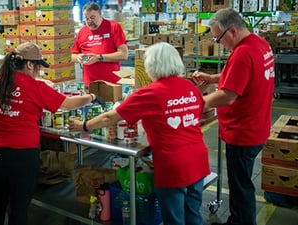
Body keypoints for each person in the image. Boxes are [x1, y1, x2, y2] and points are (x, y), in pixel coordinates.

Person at [69, 42, 211, 225]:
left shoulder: (150, 93)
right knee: (193, 214)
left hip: (174, 165)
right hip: (198, 160)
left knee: (174, 219)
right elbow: (195, 115)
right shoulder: (190, 87)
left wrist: (83, 125)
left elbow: (109, 118)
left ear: (151, 66)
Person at [0, 42, 102, 225]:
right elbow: (67, 104)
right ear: (30, 64)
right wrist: (92, 97)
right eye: (38, 66)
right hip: (21, 154)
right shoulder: (34, 87)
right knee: (19, 207)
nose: (38, 71)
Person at [193, 8, 275, 225]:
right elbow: (239, 73)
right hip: (257, 125)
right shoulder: (259, 44)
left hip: (243, 132)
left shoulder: (242, 53)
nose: (218, 43)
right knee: (243, 181)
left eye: (218, 38)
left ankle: (241, 221)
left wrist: (195, 104)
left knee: (241, 186)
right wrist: (211, 78)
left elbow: (228, 96)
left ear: (231, 31)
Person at [71, 1, 128, 87]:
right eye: (86, 18)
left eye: (92, 17)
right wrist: (78, 58)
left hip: (111, 84)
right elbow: (72, 56)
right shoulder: (82, 32)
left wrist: (98, 58)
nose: (89, 21)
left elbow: (124, 55)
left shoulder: (114, 27)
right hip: (89, 84)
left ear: (100, 14)